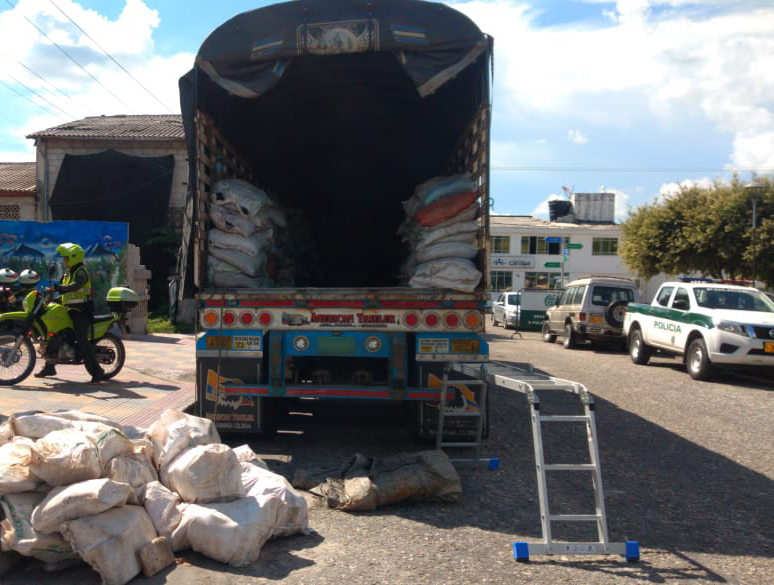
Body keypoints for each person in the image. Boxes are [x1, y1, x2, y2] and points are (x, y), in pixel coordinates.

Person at [34, 243, 106, 383]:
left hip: (81, 311)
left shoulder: (81, 272)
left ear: (73, 257)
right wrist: (51, 296)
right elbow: (64, 293)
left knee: (81, 339)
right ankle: (49, 366)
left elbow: (75, 287)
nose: (64, 260)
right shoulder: (68, 273)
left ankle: (97, 371)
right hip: (69, 310)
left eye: (66, 258)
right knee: (55, 334)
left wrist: (60, 288)